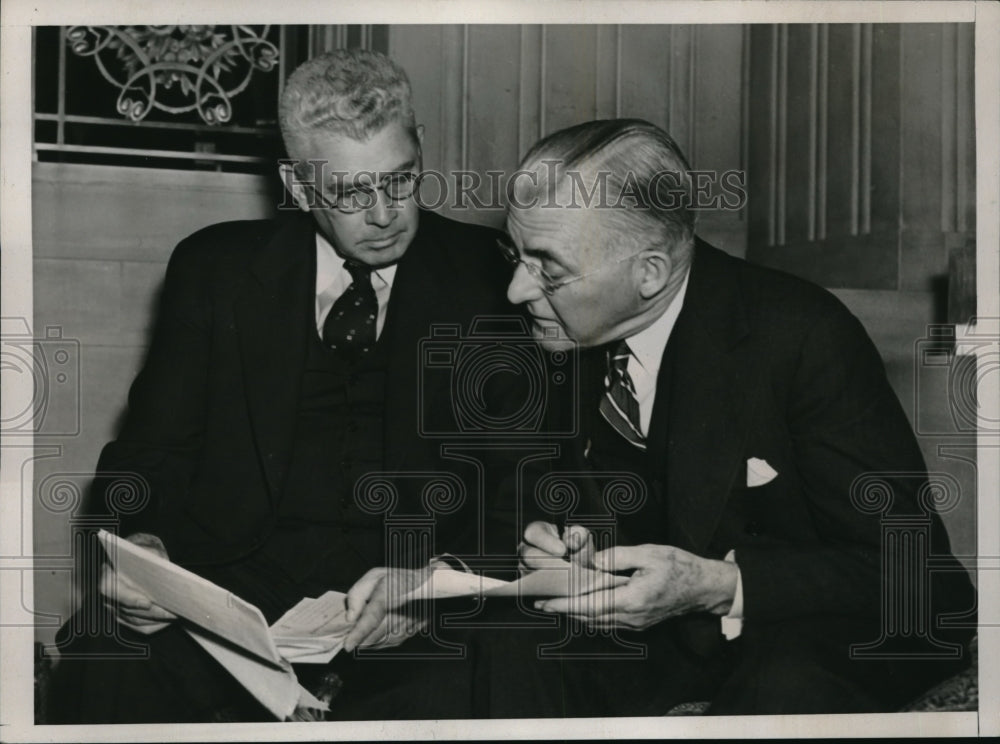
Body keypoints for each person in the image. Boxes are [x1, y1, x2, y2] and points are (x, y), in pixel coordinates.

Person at [48, 49, 518, 723]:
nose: (385, 215)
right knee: (106, 662)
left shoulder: (489, 278)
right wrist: (141, 549)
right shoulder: (216, 271)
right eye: (352, 193)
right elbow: (149, 454)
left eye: (401, 181)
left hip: (408, 590)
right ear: (297, 187)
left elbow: (519, 482)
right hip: (234, 581)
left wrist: (436, 580)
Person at [480, 118, 976, 716]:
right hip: (675, 640)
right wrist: (554, 545)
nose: (514, 290)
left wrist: (718, 586)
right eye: (515, 253)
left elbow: (921, 578)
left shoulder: (801, 335)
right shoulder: (571, 332)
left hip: (818, 630)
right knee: (507, 643)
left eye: (548, 270)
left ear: (650, 273)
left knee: (782, 683)